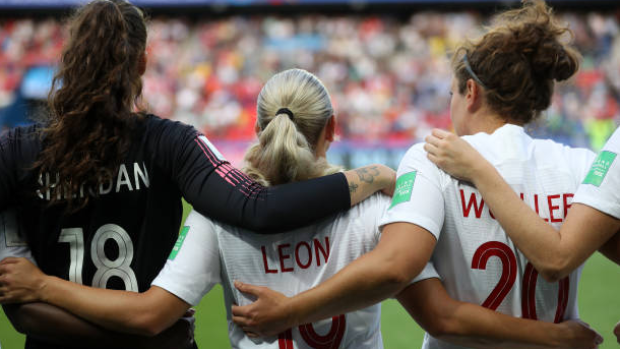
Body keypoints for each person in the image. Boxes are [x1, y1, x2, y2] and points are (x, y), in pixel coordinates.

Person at [0, 67, 602, 349]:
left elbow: (150, 314)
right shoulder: (379, 213)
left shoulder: (217, 215)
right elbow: (439, 312)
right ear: (332, 130)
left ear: (259, 131)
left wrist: (40, 287)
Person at [0, 1, 394, 348]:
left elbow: (22, 308)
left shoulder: (15, 153)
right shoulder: (170, 143)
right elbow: (258, 207)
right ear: (142, 63)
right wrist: (371, 176)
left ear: (68, 58)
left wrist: (44, 287)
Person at [224, 1, 605, 348]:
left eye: (452, 94)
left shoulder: (431, 161)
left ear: (470, 92)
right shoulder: (582, 166)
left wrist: (290, 310)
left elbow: (394, 270)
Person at [422, 103, 620, 345]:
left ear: (471, 92)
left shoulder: (427, 158)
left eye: (453, 93)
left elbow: (557, 258)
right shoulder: (579, 162)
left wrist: (478, 170)